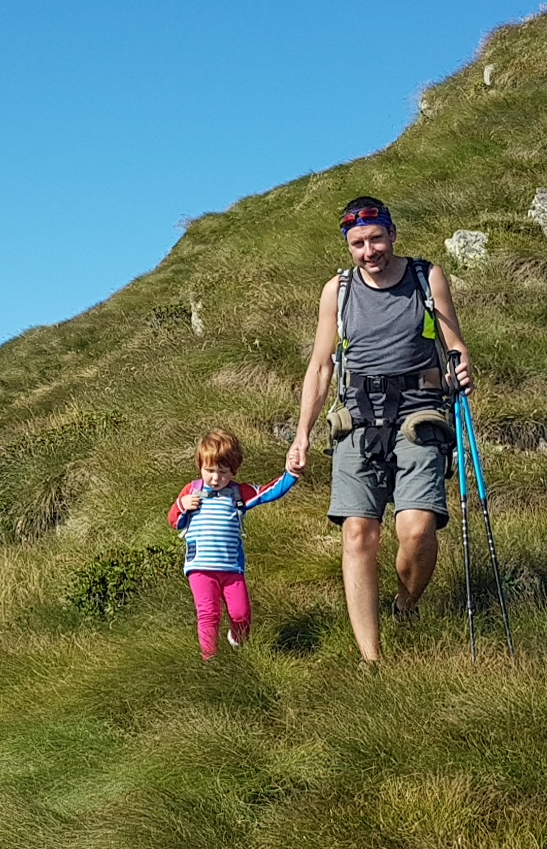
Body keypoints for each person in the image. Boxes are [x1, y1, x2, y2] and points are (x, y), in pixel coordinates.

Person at [285, 197, 475, 665]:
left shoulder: (426, 277)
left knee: (418, 531)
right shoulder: (338, 291)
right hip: (357, 419)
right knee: (358, 534)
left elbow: (454, 343)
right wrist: (302, 434)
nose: (369, 251)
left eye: (375, 239)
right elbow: (321, 366)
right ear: (348, 246)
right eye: (358, 244)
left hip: (420, 414)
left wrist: (462, 367)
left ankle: (405, 605)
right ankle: (372, 661)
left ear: (392, 234)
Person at [169, 428, 296, 659]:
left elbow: (269, 492)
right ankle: (209, 660)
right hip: (199, 567)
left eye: (223, 472)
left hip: (232, 569)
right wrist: (182, 505)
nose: (215, 478)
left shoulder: (239, 493)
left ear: (233, 470)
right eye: (209, 471)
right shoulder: (192, 490)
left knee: (241, 614)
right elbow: (174, 522)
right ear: (200, 466)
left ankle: (237, 641)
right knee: (208, 614)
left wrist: (291, 474)